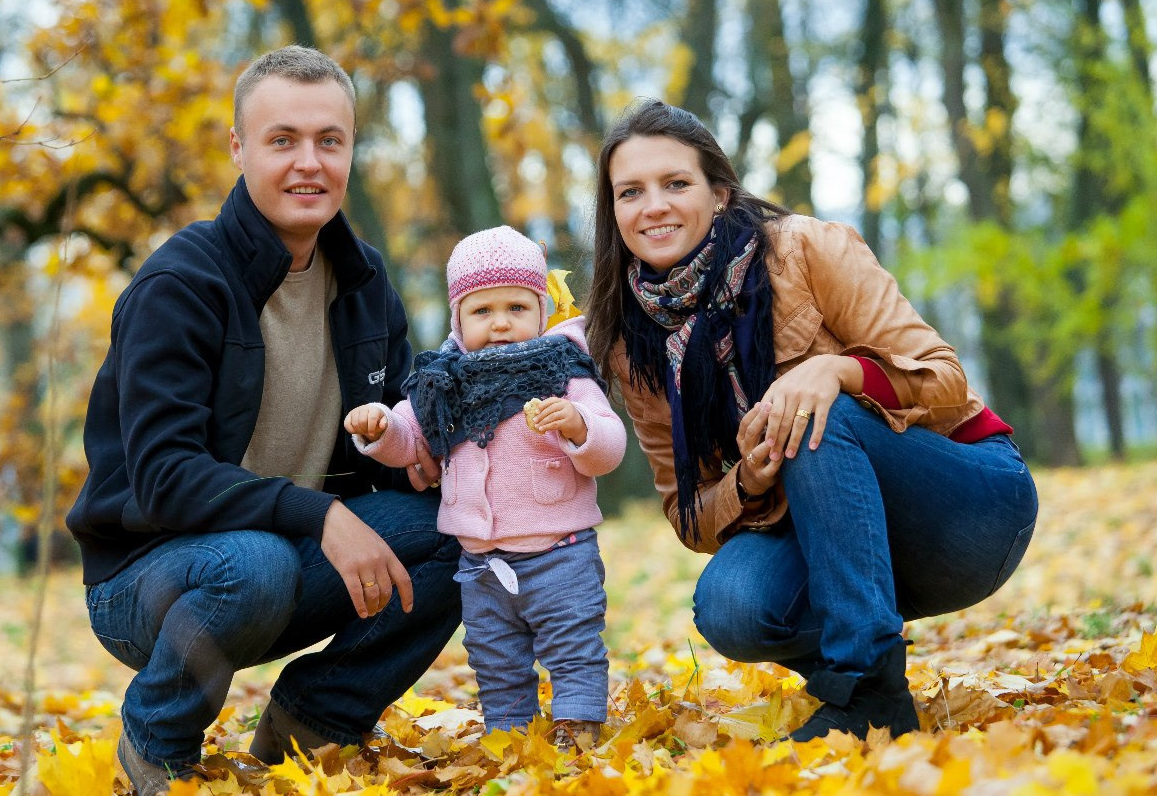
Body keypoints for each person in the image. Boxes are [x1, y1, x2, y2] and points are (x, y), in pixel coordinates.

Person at [67, 46, 462, 795]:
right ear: (239, 148)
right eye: (282, 140)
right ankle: (158, 740)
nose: (307, 163)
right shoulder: (180, 284)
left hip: (285, 558)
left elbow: (384, 454)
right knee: (254, 563)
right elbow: (162, 477)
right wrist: (320, 515)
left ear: (351, 148)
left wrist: (429, 454)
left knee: (467, 519)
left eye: (329, 140)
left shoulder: (368, 284)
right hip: (147, 579)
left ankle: (315, 718)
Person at [583, 99, 1038, 741]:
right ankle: (875, 687)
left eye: (675, 183)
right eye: (631, 192)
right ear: (615, 213)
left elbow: (945, 380)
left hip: (968, 513)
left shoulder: (805, 247)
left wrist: (838, 372)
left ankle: (865, 686)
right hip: (836, 545)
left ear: (719, 193)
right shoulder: (635, 345)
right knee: (730, 605)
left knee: (811, 413)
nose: (653, 205)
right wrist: (750, 480)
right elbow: (687, 513)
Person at [345, 226, 626, 746]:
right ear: (458, 318)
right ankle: (509, 736)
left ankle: (578, 723)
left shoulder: (564, 372)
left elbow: (609, 448)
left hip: (558, 552)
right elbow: (413, 441)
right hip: (480, 563)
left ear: (541, 312)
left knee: (573, 646)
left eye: (517, 308)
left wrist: (578, 425)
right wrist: (381, 430)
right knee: (496, 659)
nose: (500, 324)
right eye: (482, 311)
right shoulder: (442, 383)